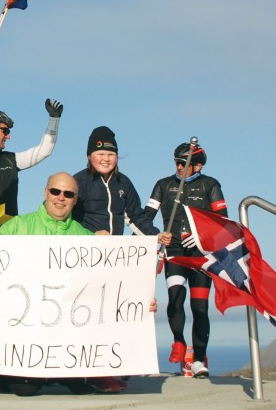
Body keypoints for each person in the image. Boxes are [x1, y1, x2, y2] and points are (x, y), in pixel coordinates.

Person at [0, 172, 157, 396]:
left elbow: (113, 288)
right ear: (46, 193)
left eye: (68, 194)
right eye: (55, 191)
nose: (60, 197)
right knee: (23, 389)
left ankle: (61, 374)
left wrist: (141, 300)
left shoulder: (86, 238)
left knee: (76, 385)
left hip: (66, 346)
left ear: (75, 199)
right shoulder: (17, 226)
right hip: (24, 344)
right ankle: (11, 373)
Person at [72, 126, 166, 392]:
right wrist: (91, 236)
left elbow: (136, 217)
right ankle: (96, 372)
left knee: (115, 312)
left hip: (116, 262)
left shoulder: (124, 184)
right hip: (85, 260)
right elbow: (66, 221)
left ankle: (113, 364)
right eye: (99, 152)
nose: (105, 158)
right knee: (92, 314)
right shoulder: (79, 181)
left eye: (111, 153)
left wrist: (157, 237)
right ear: (89, 155)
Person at [143, 141, 227, 379]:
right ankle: (178, 341)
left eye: (184, 163)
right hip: (175, 253)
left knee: (199, 307)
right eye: (177, 163)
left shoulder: (211, 185)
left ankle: (199, 360)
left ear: (197, 165)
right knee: (175, 299)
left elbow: (223, 221)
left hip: (201, 257)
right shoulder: (163, 184)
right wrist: (156, 233)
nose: (179, 167)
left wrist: (202, 237)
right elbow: (145, 216)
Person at [0, 99, 63, 224]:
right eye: (5, 131)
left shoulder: (10, 160)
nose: (8, 136)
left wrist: (54, 119)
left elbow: (44, 151)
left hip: (8, 233)